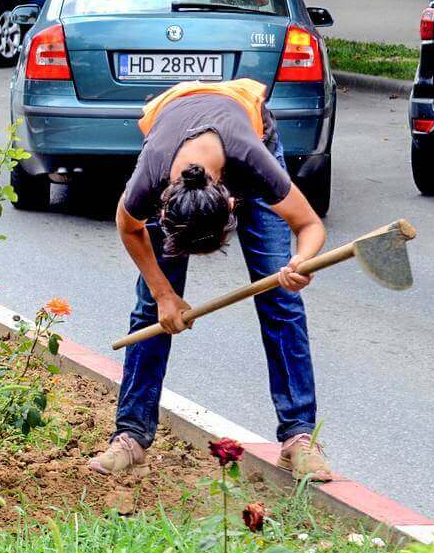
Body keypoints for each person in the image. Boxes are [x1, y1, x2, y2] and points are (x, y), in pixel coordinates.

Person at [89, 79, 332, 483]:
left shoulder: (255, 163)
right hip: (177, 128)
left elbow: (309, 225)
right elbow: (127, 226)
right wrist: (165, 294)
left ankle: (298, 437)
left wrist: (301, 262)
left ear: (233, 202)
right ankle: (130, 436)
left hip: (243, 132)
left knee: (280, 299)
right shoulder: (152, 176)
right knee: (151, 310)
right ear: (163, 208)